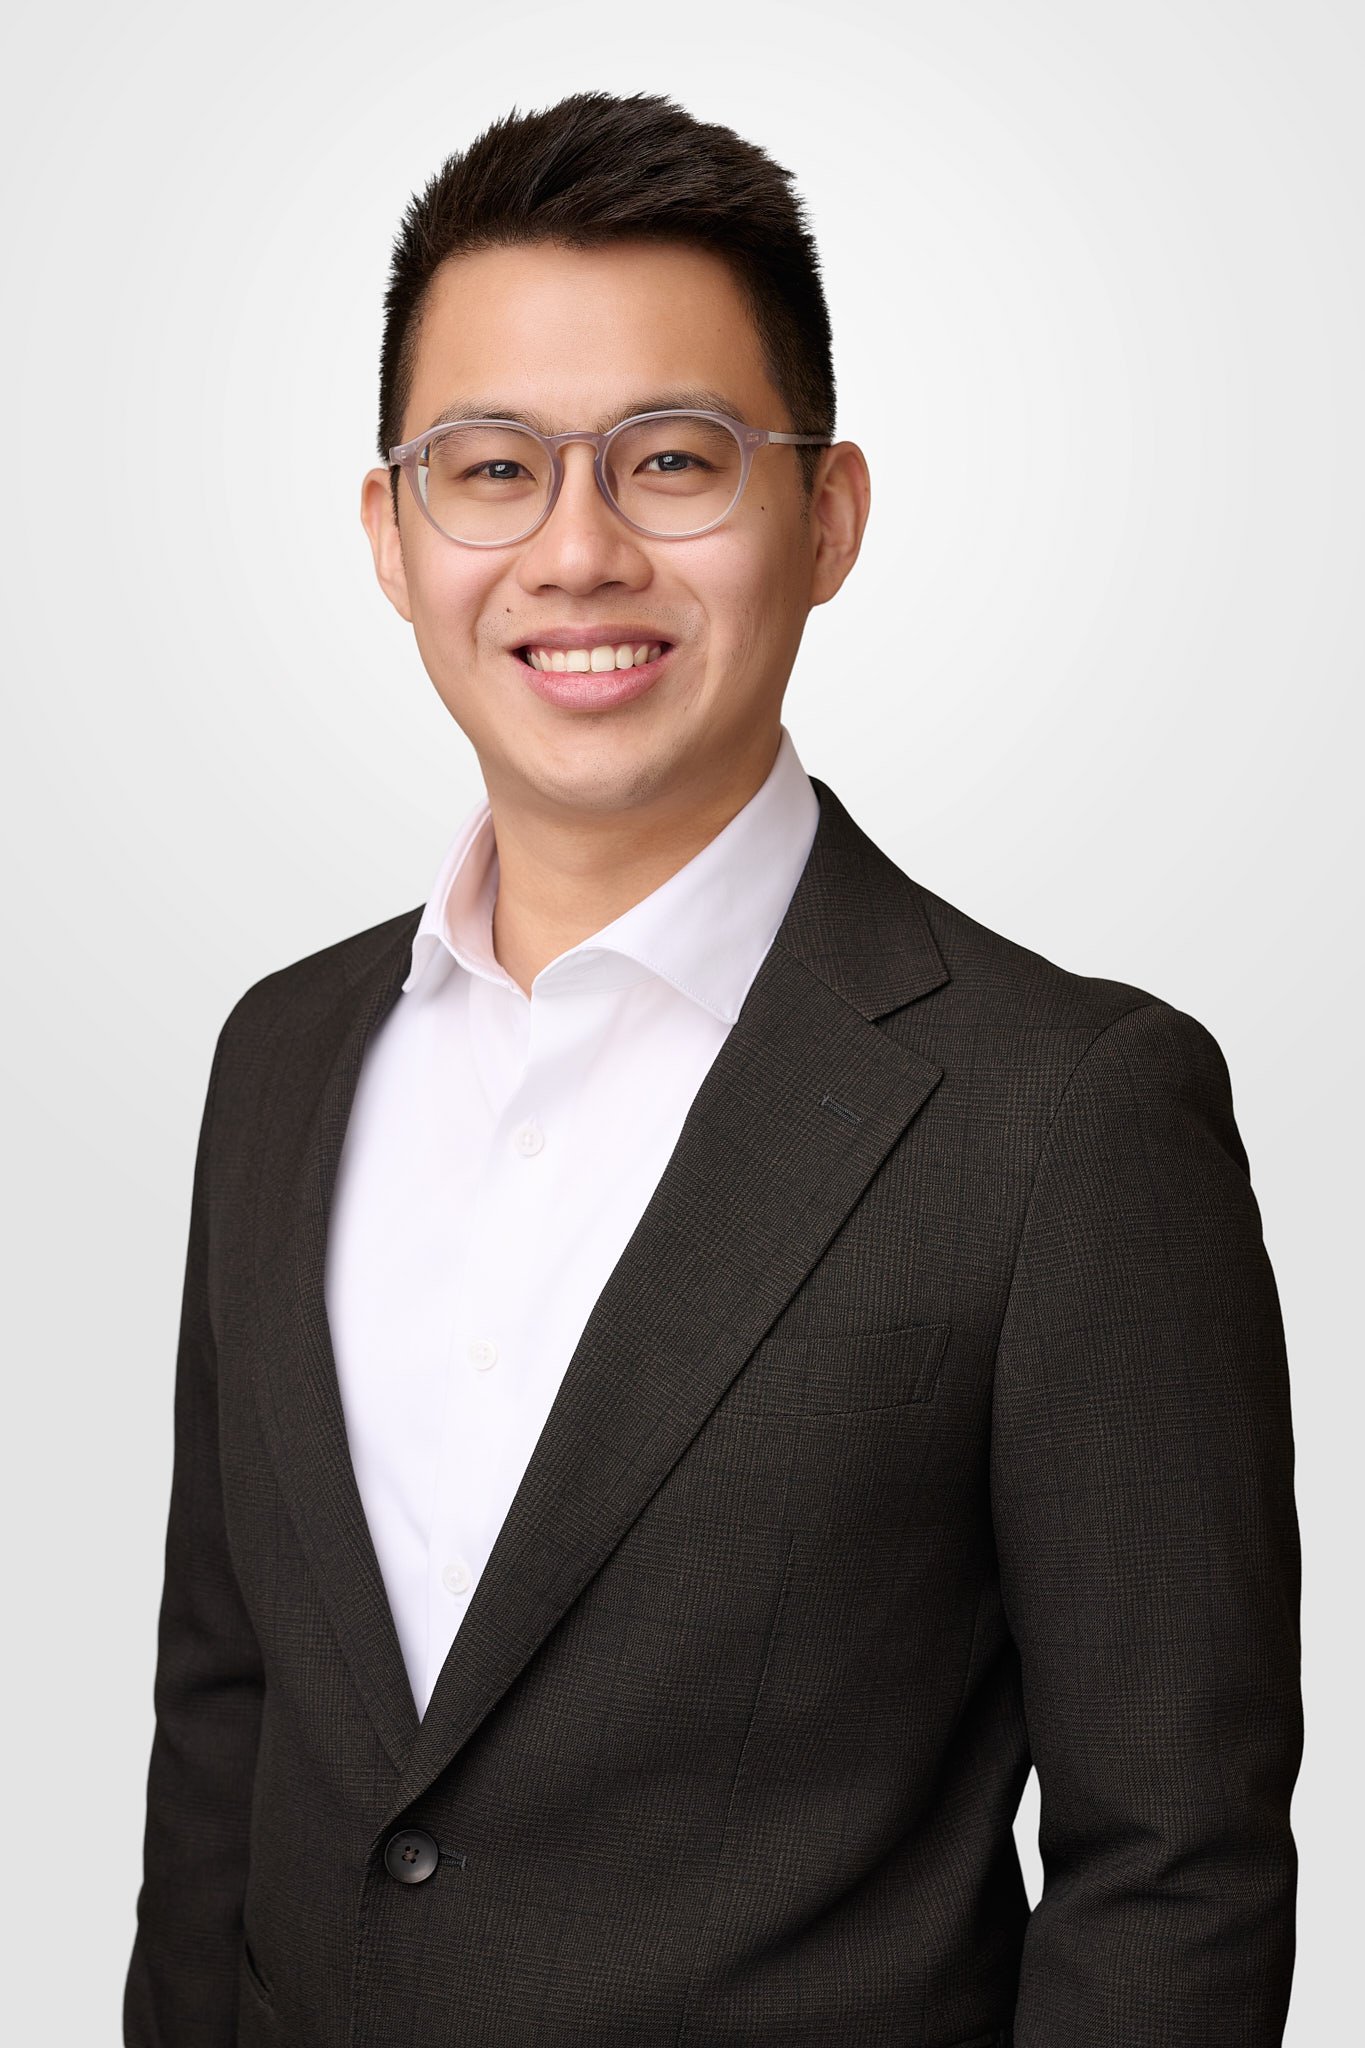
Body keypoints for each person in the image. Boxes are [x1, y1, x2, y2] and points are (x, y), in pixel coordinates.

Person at [123, 89, 1302, 2048]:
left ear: (824, 517)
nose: (575, 551)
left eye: (671, 460)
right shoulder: (281, 1060)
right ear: (393, 536)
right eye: (490, 468)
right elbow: (224, 1731)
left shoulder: (1065, 1115)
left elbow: (1172, 1869)